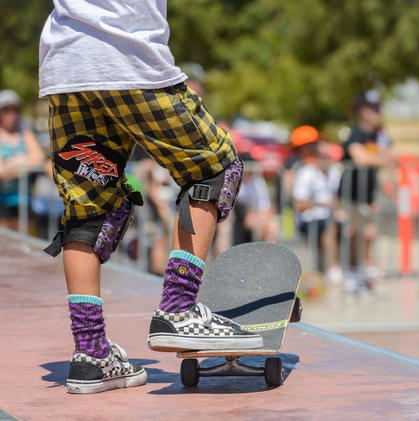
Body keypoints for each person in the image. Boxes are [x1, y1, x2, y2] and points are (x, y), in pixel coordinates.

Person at [39, 1, 262, 394]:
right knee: (214, 168)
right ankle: (179, 307)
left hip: (67, 64)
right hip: (127, 58)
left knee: (89, 211)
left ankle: (91, 355)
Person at [338, 90, 392, 292]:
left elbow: (389, 157)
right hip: (352, 193)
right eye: (372, 108)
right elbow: (360, 158)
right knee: (356, 232)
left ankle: (363, 267)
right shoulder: (356, 133)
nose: (377, 112)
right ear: (362, 111)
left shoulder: (378, 135)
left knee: (368, 233)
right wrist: (380, 158)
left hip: (368, 193)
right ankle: (353, 271)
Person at [291, 126, 341, 274]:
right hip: (309, 218)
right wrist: (323, 204)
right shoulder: (305, 172)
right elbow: (299, 204)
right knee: (329, 227)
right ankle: (333, 269)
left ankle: (351, 268)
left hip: (327, 216)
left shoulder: (335, 172)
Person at [0, 90, 45, 230]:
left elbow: (39, 159)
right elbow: (1, 171)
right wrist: (26, 165)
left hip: (24, 202)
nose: (11, 114)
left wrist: (15, 163)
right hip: (3, 203)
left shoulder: (25, 133)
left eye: (15, 109)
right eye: (6, 110)